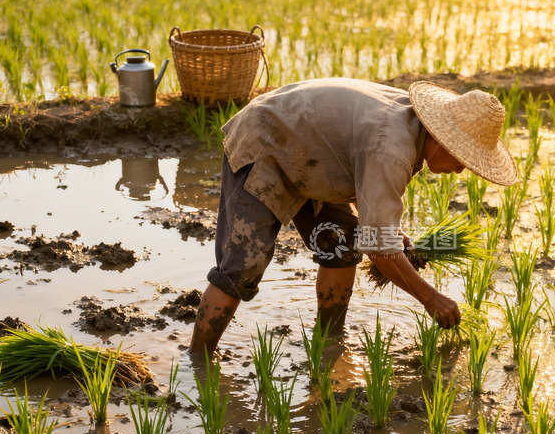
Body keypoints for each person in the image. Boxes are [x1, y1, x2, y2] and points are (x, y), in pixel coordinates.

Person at [189, 78, 517, 355]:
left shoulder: (410, 131)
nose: (460, 169)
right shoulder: (392, 147)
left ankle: (329, 344)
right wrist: (431, 298)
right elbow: (379, 250)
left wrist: (392, 232)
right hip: (265, 142)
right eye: (462, 159)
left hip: (311, 155)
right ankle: (199, 362)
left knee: (343, 246)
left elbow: (370, 193)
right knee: (242, 268)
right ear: (441, 139)